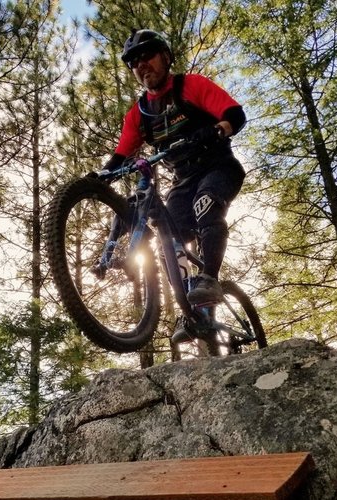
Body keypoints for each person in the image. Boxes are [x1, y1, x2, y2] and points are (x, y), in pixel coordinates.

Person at [100, 29, 246, 343]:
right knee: (169, 244)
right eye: (134, 63)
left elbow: (235, 113)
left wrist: (219, 129)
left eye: (147, 56)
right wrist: (97, 178)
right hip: (182, 182)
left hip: (218, 167)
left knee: (205, 206)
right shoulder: (139, 114)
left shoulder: (191, 86)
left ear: (165, 57)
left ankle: (209, 277)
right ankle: (195, 311)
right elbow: (121, 153)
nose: (141, 66)